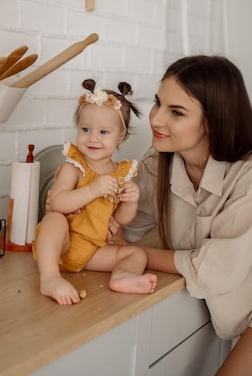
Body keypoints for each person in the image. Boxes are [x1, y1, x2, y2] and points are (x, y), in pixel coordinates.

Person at [107, 55, 252, 376]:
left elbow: (216, 271)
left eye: (176, 112)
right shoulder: (157, 163)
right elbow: (127, 225)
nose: (156, 119)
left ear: (212, 121)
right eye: (159, 103)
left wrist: (133, 255)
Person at [33, 79, 158, 306]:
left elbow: (117, 221)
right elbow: (56, 203)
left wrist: (130, 201)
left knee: (137, 254)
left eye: (103, 132)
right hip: (64, 244)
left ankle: (122, 276)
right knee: (53, 220)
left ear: (119, 137)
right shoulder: (75, 167)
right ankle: (49, 277)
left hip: (94, 252)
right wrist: (92, 189)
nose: (93, 138)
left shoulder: (120, 173)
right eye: (86, 129)